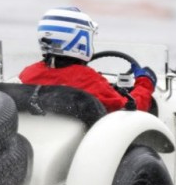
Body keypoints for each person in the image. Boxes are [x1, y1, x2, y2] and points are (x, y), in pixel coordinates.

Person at [19, 7, 157, 113]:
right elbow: (129, 110)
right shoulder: (87, 79)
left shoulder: (28, 73)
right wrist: (145, 84)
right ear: (80, 39)